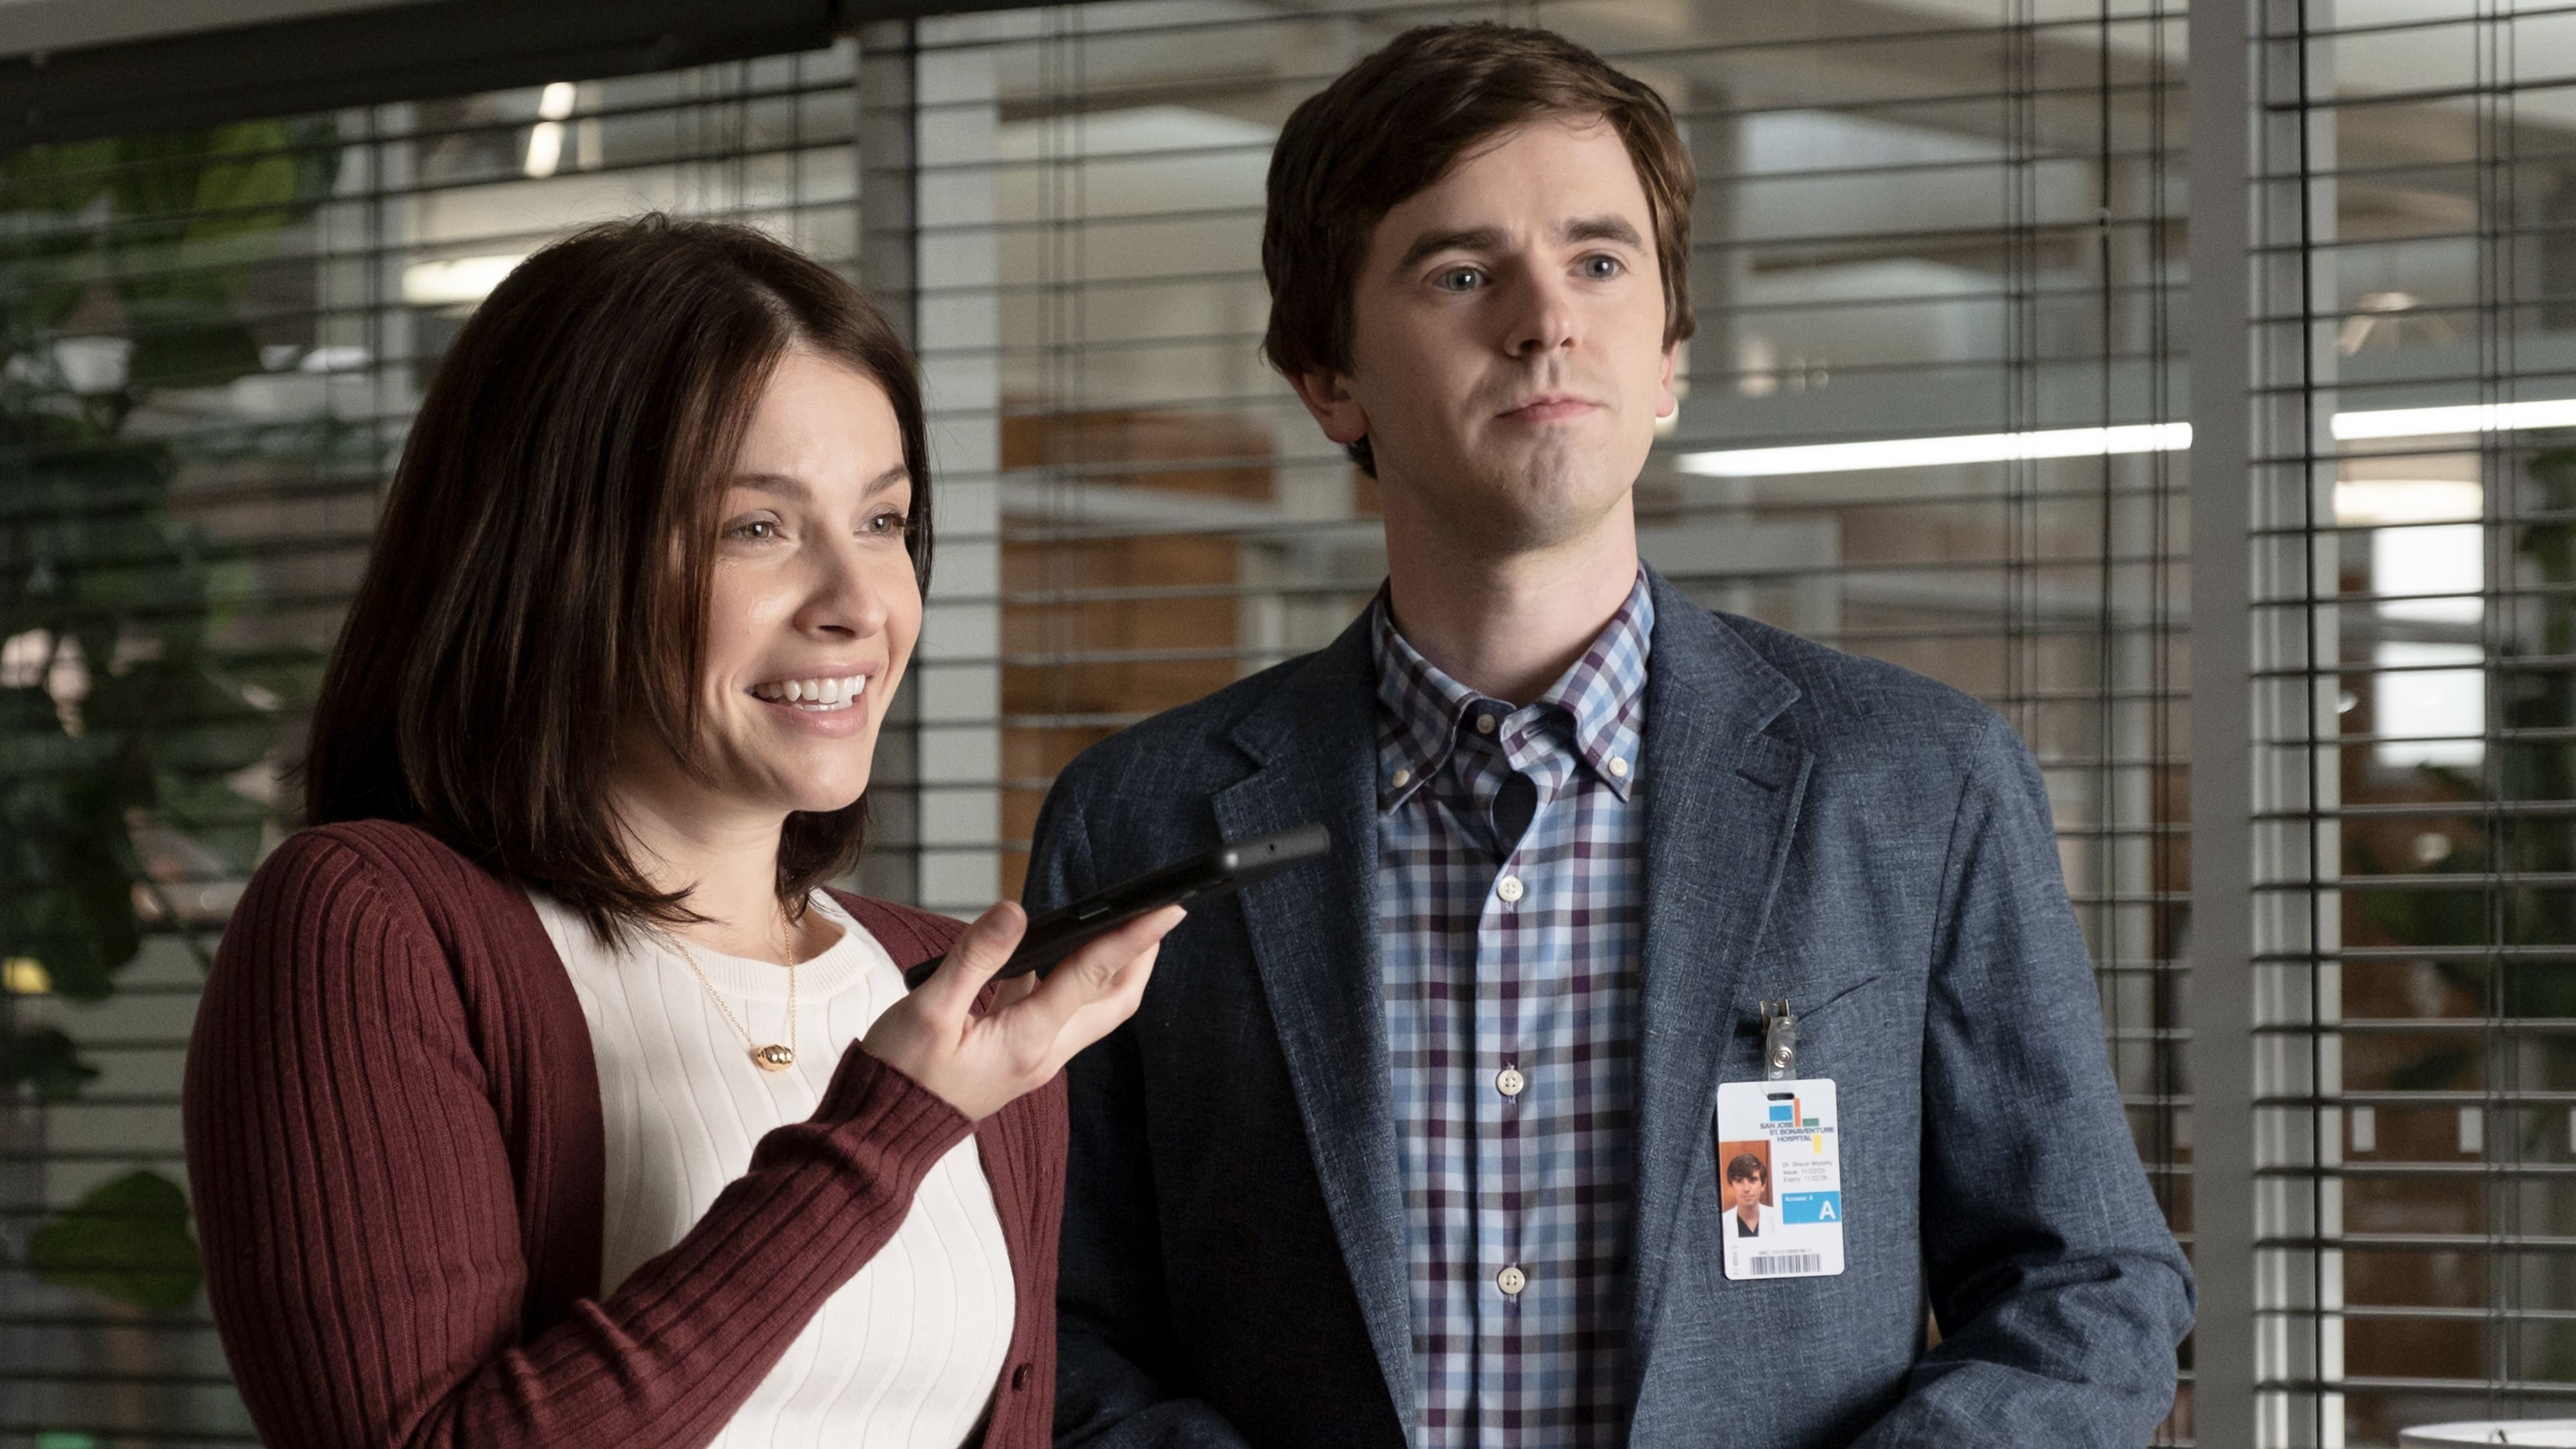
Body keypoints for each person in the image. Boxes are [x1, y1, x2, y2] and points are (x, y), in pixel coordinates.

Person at [1029, 23, 2193, 1449]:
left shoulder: (1917, 785)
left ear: (1669, 359)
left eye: (1597, 263)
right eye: (1462, 274)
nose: (1544, 322)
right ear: (1329, 379)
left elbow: (2092, 1289)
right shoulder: (1139, 819)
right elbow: (1057, 1326)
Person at [182, 216, 1179, 1449]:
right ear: (554, 558)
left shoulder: (938, 982)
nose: (860, 604)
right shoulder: (372, 930)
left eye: (883, 522)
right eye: (756, 528)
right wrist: (885, 1132)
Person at [1725, 1154, 1772, 1240]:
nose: (1746, 1189)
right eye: (1739, 1181)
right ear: (1731, 1186)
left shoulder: (1778, 1218)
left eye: (1752, 1180)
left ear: (1763, 1185)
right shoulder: (1722, 1222)